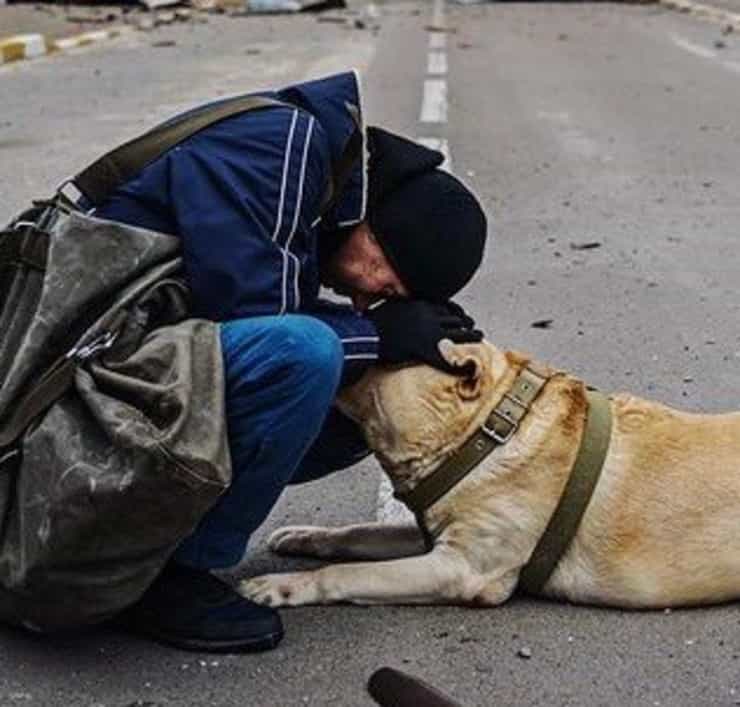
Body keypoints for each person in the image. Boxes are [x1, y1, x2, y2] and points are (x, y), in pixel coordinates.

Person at [93, 71, 488, 653]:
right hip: (75, 380)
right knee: (310, 354)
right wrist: (377, 334)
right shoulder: (284, 146)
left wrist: (382, 344)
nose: (366, 296)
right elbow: (260, 321)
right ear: (377, 228)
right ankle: (173, 580)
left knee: (359, 393)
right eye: (386, 279)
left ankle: (152, 536)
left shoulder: (314, 175)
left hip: (126, 367)